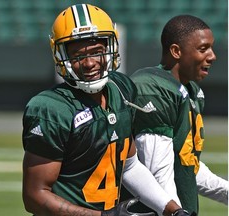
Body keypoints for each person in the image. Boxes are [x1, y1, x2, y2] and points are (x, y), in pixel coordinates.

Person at [22, 4, 191, 216]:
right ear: (62, 57)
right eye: (77, 56)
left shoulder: (120, 89)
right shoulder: (52, 110)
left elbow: (130, 166)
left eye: (96, 52)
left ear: (110, 49)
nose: (90, 63)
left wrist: (171, 210)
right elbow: (34, 195)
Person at [120, 15, 228, 215]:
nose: (212, 56)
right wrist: (176, 212)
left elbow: (186, 165)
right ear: (176, 51)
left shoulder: (190, 91)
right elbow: (156, 173)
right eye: (203, 49)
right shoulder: (153, 88)